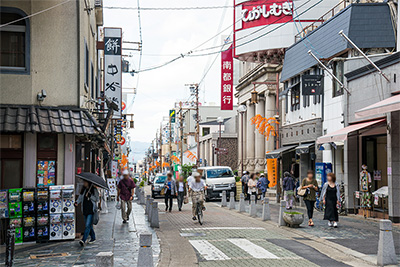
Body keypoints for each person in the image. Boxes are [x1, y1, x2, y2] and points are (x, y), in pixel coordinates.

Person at [76, 181, 99, 246]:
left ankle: (83, 240)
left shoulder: (94, 190)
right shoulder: (84, 189)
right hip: (84, 209)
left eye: (85, 182)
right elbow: (80, 198)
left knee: (87, 225)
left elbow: (97, 199)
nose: (84, 183)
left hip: (91, 210)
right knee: (89, 226)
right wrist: (77, 202)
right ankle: (93, 237)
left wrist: (90, 196)